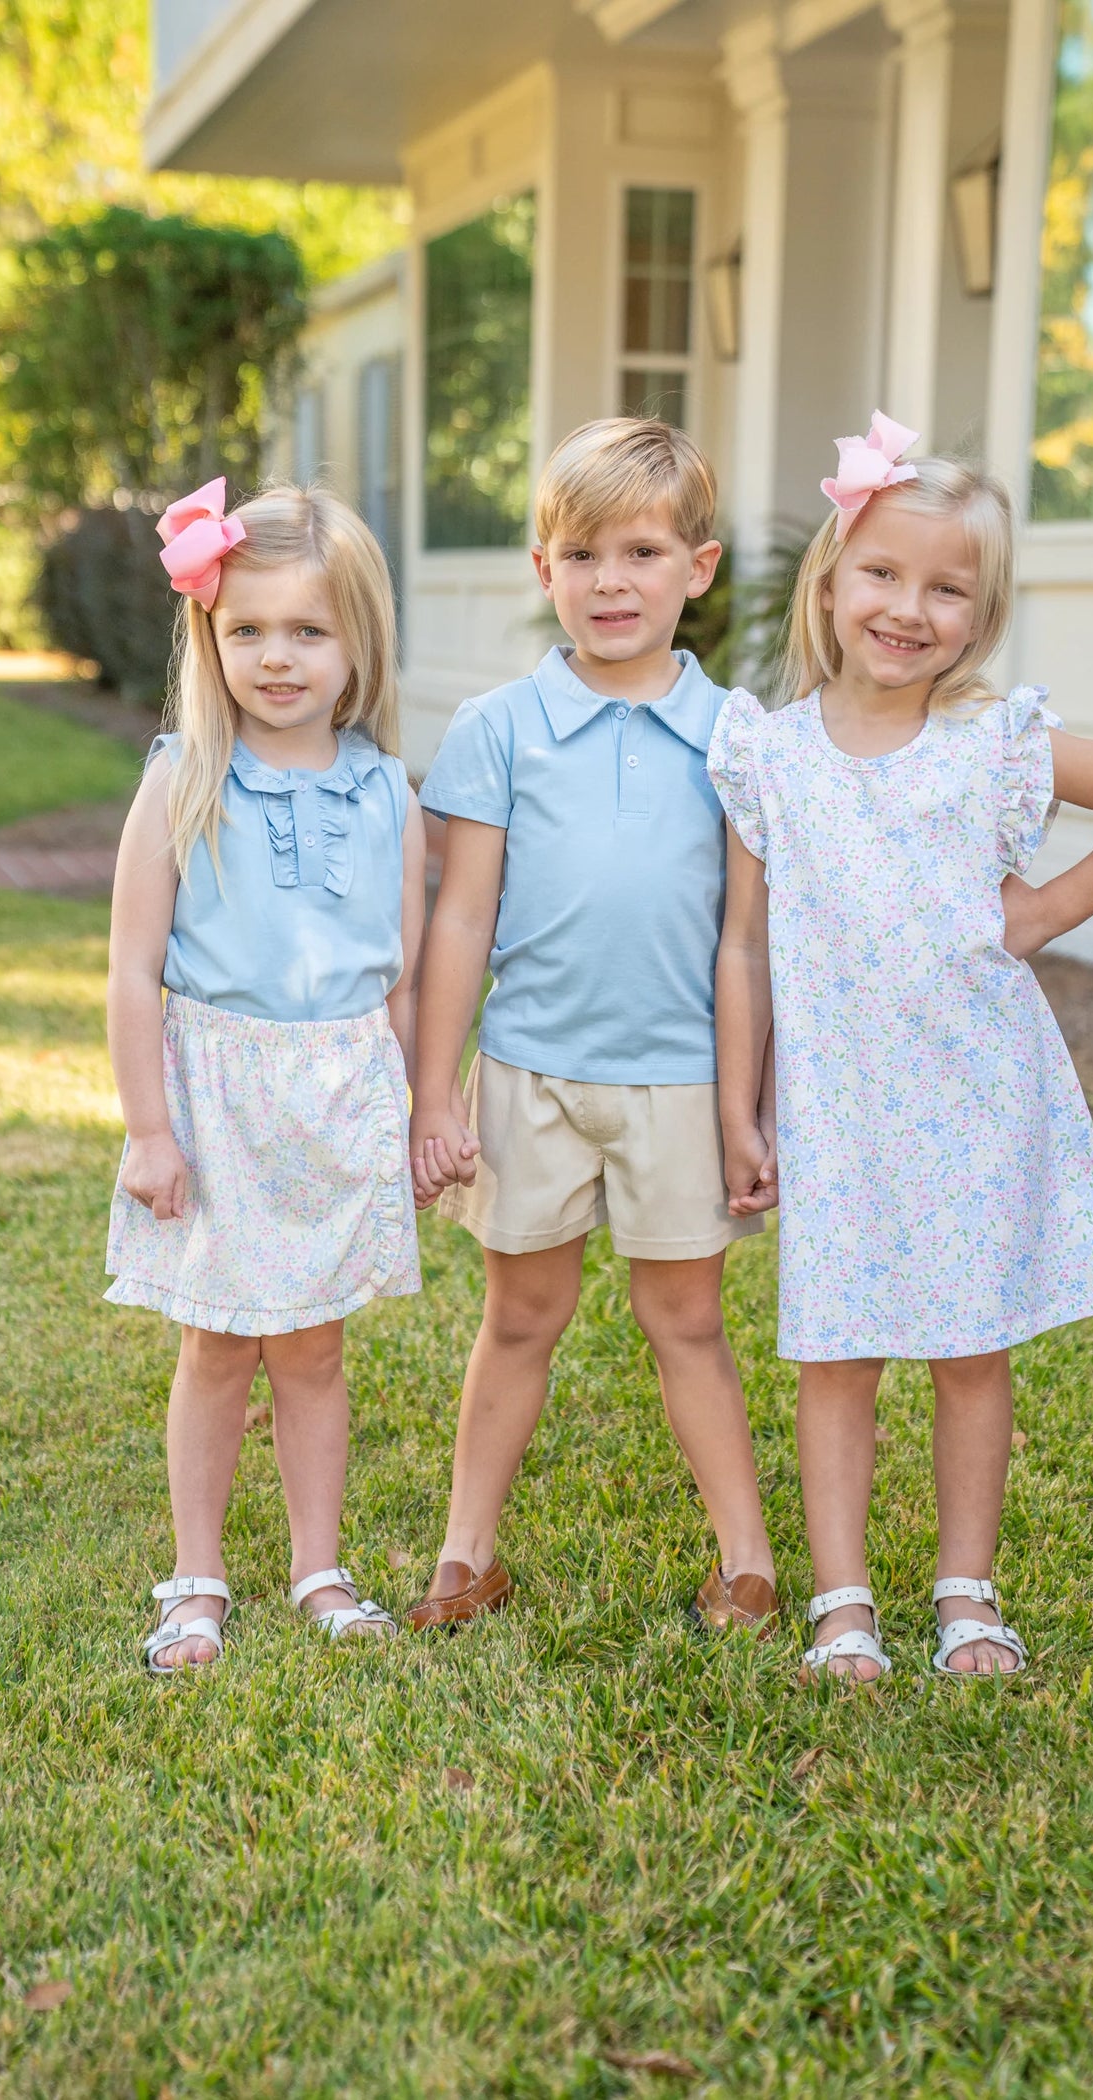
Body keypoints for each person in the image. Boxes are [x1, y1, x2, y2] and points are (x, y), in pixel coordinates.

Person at [710, 413, 1093, 1684]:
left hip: (975, 1095)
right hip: (835, 1105)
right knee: (838, 1350)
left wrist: (1039, 910)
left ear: (978, 620)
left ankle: (965, 1595)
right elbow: (743, 948)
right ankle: (840, 1600)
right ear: (828, 584)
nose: (907, 607)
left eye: (947, 589)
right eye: (881, 573)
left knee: (967, 1349)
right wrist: (738, 1110)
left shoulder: (992, 747)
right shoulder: (766, 756)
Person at [406, 417, 778, 1636]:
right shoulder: (497, 729)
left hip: (676, 1082)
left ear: (697, 568)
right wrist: (434, 1091)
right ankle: (467, 1554)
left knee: (687, 1322)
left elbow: (742, 942)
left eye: (641, 553)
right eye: (581, 555)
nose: (610, 582)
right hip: (530, 1077)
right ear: (542, 570)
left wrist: (740, 1111)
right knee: (518, 1317)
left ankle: (745, 1559)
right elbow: (459, 924)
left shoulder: (738, 738)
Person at [105, 479, 424, 1673]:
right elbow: (135, 968)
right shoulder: (182, 775)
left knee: (314, 1347)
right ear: (208, 636)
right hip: (214, 1094)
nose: (276, 657)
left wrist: (407, 1109)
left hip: (335, 1097)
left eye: (308, 631)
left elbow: (393, 974)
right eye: (247, 630)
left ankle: (316, 1566)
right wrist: (149, 1129)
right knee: (217, 1345)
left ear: (357, 643)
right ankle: (196, 1578)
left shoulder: (388, 793)